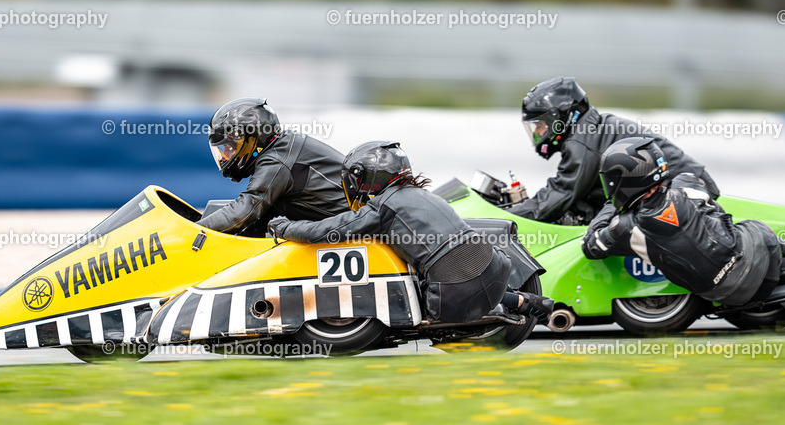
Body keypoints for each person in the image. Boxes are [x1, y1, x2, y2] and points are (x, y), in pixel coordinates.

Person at [268, 140, 554, 324]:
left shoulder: (383, 206)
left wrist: (283, 226)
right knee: (450, 272)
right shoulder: (423, 194)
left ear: (365, 178)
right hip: (493, 267)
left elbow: (327, 231)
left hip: (453, 287)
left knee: (412, 293)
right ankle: (526, 302)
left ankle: (481, 312)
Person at [582, 137, 785, 307]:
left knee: (749, 244)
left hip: (718, 295)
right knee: (756, 230)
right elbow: (711, 189)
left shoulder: (625, 228)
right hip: (755, 256)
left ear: (624, 181)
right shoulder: (686, 184)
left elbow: (590, 244)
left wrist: (611, 205)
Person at [507, 76, 719, 225]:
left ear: (561, 117)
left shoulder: (582, 142)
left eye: (542, 125)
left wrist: (505, 216)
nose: (539, 133)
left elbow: (558, 196)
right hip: (683, 190)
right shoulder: (592, 129)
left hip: (689, 195)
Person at [197, 98, 350, 236]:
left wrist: (191, 230)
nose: (225, 156)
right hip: (342, 226)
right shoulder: (283, 146)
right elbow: (268, 212)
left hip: (352, 231)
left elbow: (247, 207)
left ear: (251, 139)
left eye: (229, 147)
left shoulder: (276, 160)